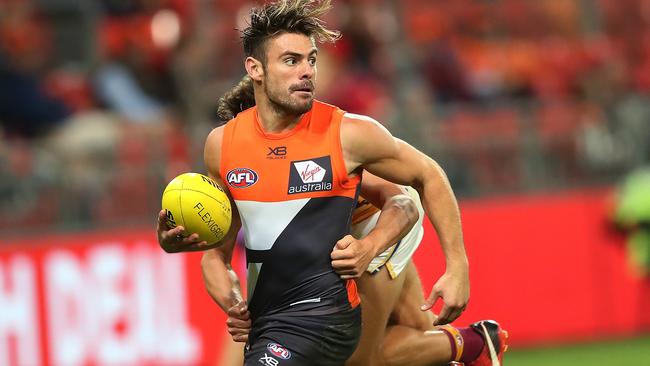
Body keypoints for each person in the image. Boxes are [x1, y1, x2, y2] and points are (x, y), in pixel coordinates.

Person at [157, 0, 505, 365]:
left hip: (372, 237)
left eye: (311, 60)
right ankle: (468, 346)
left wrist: (445, 263)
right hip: (298, 293)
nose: (307, 71)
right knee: (411, 332)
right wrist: (178, 246)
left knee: (366, 359)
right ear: (255, 71)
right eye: (292, 61)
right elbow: (217, 251)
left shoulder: (345, 136)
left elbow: (409, 195)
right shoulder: (223, 148)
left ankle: (469, 345)